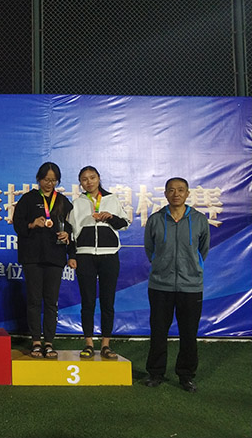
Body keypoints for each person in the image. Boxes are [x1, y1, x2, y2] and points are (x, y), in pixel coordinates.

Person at [144, 177, 210, 393]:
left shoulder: (199, 220)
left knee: (189, 333)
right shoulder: (156, 219)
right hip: (160, 285)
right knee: (158, 331)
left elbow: (203, 249)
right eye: (171, 190)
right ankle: (155, 373)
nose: (176, 194)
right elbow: (149, 249)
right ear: (165, 194)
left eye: (181, 190)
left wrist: (191, 267)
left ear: (187, 194)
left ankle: (186, 375)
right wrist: (161, 265)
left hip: (191, 286)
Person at [12, 162, 76, 359]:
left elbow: (72, 228)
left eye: (54, 180)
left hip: (55, 257)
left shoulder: (63, 201)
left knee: (51, 301)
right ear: (39, 179)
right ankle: (36, 342)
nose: (50, 183)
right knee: (33, 300)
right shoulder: (28, 199)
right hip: (32, 257)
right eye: (46, 179)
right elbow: (17, 224)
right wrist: (32, 224)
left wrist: (68, 238)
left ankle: (49, 342)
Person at [67, 166, 130, 359]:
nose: (89, 182)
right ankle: (88, 343)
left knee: (107, 301)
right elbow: (71, 232)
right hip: (85, 256)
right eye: (84, 179)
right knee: (87, 301)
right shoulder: (77, 203)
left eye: (92, 177)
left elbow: (124, 224)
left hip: (109, 255)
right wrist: (72, 255)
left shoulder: (111, 199)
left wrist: (111, 218)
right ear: (80, 183)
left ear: (99, 178)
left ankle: (105, 344)